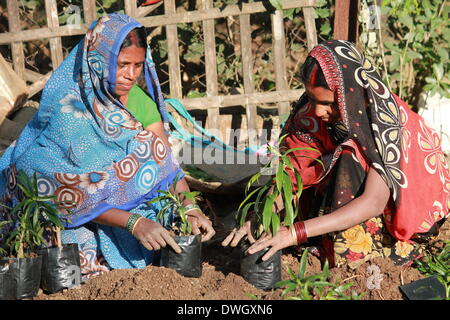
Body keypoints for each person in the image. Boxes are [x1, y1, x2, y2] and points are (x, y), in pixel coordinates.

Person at [0, 13, 214, 279]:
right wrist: (133, 222)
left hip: (118, 206)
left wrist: (190, 208)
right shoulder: (71, 109)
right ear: (98, 62)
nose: (131, 75)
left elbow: (165, 166)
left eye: (137, 65)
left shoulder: (139, 102)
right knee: (71, 252)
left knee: (168, 213)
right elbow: (57, 189)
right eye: (122, 65)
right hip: (72, 212)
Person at [223, 40, 450, 269]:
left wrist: (295, 232)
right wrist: (259, 217)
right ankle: (321, 238)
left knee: (348, 155)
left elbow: (373, 202)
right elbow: (293, 175)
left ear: (349, 94)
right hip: (345, 203)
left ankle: (351, 251)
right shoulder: (310, 116)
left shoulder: (383, 122)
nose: (319, 111)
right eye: (312, 99)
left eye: (328, 103)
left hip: (395, 215)